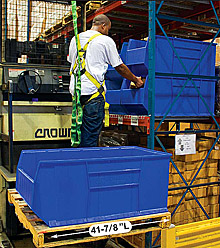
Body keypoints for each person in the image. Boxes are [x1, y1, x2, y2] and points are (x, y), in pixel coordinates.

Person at [68, 14, 144, 147]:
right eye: (108, 29)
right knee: (90, 135)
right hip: (93, 94)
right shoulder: (105, 41)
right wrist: (135, 80)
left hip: (76, 94)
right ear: (103, 26)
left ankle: (79, 160)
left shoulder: (76, 39)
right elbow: (119, 67)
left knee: (78, 132)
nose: (107, 32)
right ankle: (87, 164)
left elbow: (72, 62)